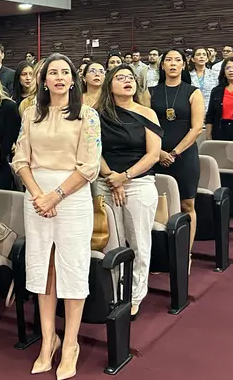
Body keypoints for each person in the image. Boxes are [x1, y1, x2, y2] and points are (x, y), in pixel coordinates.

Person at [12, 53, 100, 379]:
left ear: (73, 79)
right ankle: (48, 340)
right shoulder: (31, 114)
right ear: (44, 80)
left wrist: (56, 195)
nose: (60, 77)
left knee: (72, 270)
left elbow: (89, 166)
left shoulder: (87, 116)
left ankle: (71, 344)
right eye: (53, 73)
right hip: (36, 199)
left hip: (72, 199)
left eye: (65, 72)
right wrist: (38, 194)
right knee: (42, 269)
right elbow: (20, 159)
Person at [94, 65, 162, 318]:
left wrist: (124, 177)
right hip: (105, 181)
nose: (127, 81)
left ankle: (135, 296)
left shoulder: (147, 113)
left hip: (138, 184)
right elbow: (94, 150)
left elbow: (153, 154)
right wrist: (112, 177)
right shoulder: (97, 114)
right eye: (120, 78)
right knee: (110, 243)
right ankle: (112, 292)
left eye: (130, 78)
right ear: (109, 84)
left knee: (138, 242)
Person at [149, 49, 204, 272]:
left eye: (177, 60)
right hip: (154, 154)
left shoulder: (193, 93)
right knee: (157, 204)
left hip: (184, 155)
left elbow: (197, 127)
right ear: (162, 66)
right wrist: (158, 152)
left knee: (186, 204)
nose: (173, 64)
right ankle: (161, 253)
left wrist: (174, 153)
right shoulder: (151, 92)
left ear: (184, 66)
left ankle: (185, 253)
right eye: (168, 60)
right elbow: (145, 125)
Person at [205, 57, 233, 141]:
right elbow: (210, 115)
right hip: (220, 131)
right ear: (224, 72)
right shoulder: (216, 91)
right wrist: (208, 135)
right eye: (228, 68)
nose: (231, 70)